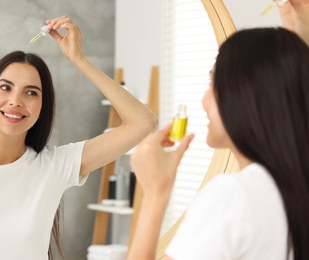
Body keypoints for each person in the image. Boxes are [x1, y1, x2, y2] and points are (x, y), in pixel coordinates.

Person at [0, 16, 157, 260]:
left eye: (31, 92)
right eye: (5, 87)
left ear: (42, 106)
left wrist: (79, 60)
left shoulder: (55, 166)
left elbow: (143, 122)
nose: (16, 100)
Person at [127, 1, 309, 259]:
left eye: (213, 83)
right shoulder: (293, 186)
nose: (203, 99)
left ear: (244, 96)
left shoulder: (233, 196)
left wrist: (155, 192)